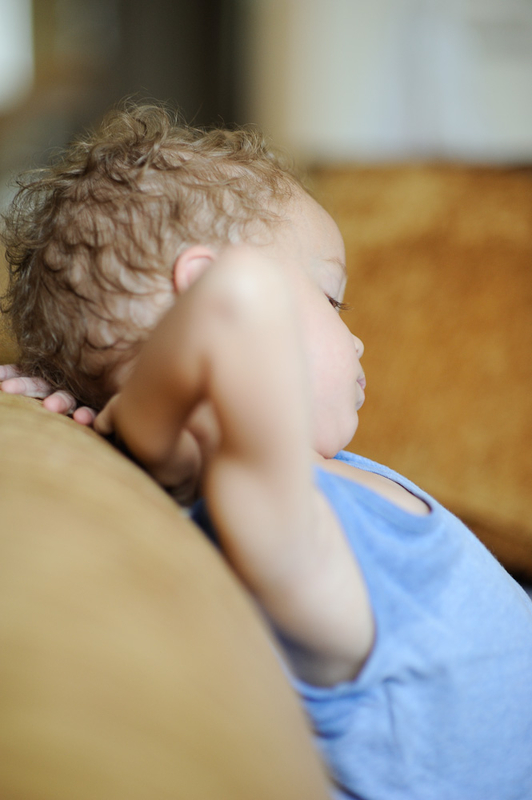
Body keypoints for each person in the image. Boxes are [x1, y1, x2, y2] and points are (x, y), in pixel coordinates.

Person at [1, 102, 532, 800]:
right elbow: (241, 298)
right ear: (201, 289)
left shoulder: (298, 487)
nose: (357, 338)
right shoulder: (276, 521)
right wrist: (136, 420)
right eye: (331, 299)